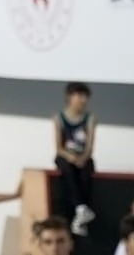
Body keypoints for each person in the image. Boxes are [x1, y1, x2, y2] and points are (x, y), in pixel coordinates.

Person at [53, 82, 96, 235]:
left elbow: (90, 147)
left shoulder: (90, 118)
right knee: (67, 169)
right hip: (65, 156)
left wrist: (82, 158)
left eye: (85, 97)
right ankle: (81, 209)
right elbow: (59, 147)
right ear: (70, 97)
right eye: (80, 96)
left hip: (83, 158)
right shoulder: (59, 118)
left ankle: (81, 217)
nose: (83, 100)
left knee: (86, 172)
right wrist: (70, 156)